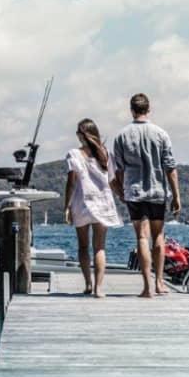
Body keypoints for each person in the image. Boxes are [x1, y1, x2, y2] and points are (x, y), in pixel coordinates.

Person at [111, 93, 181, 298]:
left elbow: (119, 169)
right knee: (159, 236)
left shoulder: (121, 136)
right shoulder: (161, 134)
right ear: (148, 110)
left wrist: (122, 192)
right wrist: (176, 196)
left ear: (131, 110)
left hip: (134, 192)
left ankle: (146, 287)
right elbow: (170, 167)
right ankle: (159, 282)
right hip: (158, 190)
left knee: (142, 237)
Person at [64, 118, 123, 298]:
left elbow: (71, 182)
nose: (76, 135)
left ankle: (88, 284)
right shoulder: (105, 154)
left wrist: (66, 206)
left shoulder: (73, 154)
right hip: (103, 203)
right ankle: (99, 288)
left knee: (83, 246)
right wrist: (121, 196)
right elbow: (112, 181)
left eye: (77, 132)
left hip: (82, 203)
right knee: (99, 247)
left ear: (82, 135)